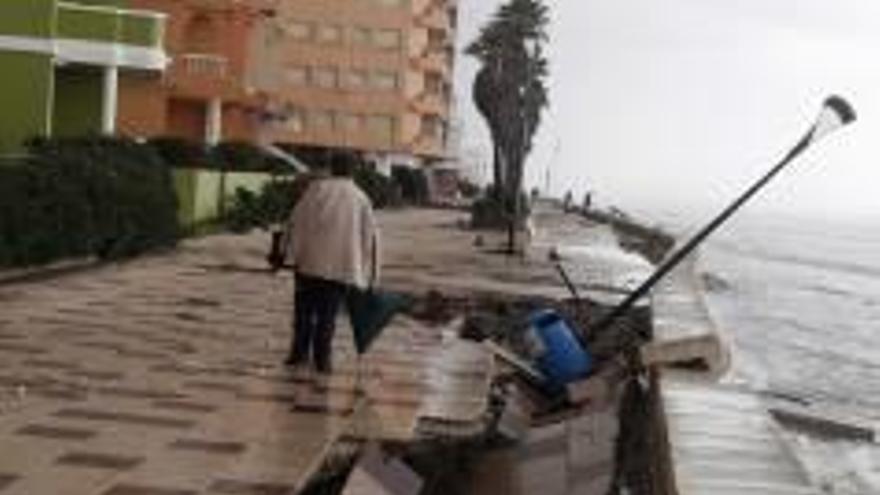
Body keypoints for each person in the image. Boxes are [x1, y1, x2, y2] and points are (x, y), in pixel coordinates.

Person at [280, 152, 379, 374]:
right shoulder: (361, 198)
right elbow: (368, 238)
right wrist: (365, 273)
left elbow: (296, 222)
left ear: (332, 168)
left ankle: (298, 354)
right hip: (340, 268)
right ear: (353, 170)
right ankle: (322, 360)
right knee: (328, 315)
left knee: (303, 312)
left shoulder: (315, 190)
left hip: (308, 265)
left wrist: (290, 255)